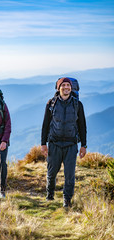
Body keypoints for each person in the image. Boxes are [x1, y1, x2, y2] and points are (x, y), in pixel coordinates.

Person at [41, 77, 87, 208]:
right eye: (63, 85)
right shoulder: (51, 103)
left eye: (68, 85)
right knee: (51, 172)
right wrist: (43, 144)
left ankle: (67, 200)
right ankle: (50, 195)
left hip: (71, 145)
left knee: (69, 175)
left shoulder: (78, 105)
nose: (66, 87)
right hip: (54, 143)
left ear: (72, 88)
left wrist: (83, 145)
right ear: (58, 88)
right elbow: (45, 125)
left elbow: (82, 126)